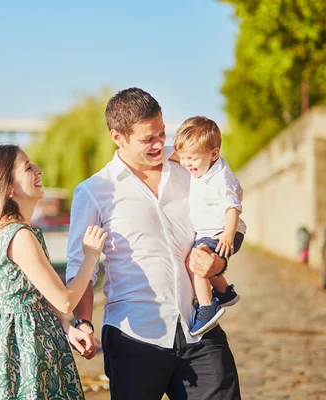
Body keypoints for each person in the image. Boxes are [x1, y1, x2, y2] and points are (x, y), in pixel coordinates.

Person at [66, 88, 241, 399]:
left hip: (198, 328)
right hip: (134, 337)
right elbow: (82, 266)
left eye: (162, 133)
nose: (160, 143)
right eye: (148, 139)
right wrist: (83, 323)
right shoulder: (94, 191)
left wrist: (220, 264)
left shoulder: (191, 167)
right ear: (117, 137)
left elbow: (228, 221)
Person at [0, 144, 106, 399]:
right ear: (8, 187)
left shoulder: (6, 231)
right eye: (28, 167)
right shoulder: (19, 236)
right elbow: (64, 300)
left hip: (15, 346)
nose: (38, 170)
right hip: (28, 350)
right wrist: (91, 256)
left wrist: (66, 329)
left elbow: (32, 297)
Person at [168, 116, 247, 336]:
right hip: (209, 232)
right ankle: (224, 293)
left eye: (192, 158)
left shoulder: (221, 178)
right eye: (183, 158)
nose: (186, 163)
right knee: (196, 258)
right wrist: (163, 151)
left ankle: (206, 307)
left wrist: (228, 235)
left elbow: (233, 207)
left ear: (214, 154)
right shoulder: (202, 165)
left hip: (223, 231)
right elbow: (175, 154)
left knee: (196, 262)